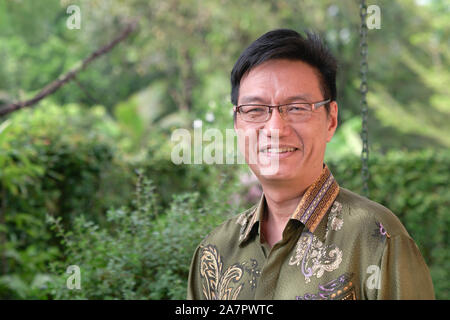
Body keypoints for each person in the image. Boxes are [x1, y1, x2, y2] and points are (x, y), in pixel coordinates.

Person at [187, 29, 435, 300]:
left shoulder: (378, 240)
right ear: (237, 123)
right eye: (255, 110)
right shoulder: (215, 252)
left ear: (331, 120)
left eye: (296, 108)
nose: (275, 129)